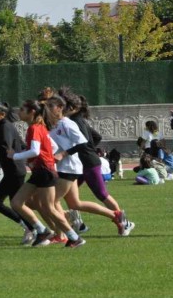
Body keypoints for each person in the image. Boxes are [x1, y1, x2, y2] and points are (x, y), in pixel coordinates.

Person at [46, 94, 125, 242]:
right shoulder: (56, 125)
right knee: (74, 203)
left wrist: (63, 154)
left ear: (61, 108)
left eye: (51, 106)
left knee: (51, 201)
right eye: (47, 106)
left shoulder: (67, 123)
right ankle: (115, 215)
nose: (47, 109)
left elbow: (83, 142)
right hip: (67, 167)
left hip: (69, 168)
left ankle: (62, 235)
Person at [7, 99, 83, 248]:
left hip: (45, 172)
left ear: (32, 112)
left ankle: (74, 237)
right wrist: (41, 158)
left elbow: (35, 150)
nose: (19, 112)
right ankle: (42, 230)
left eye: (22, 109)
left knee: (49, 208)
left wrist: (15, 156)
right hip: (40, 171)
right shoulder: (39, 127)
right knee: (16, 203)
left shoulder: (35, 128)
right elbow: (51, 146)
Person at [67, 92, 134, 236]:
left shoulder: (76, 121)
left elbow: (84, 141)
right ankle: (78, 224)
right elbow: (97, 136)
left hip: (89, 163)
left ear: (72, 107)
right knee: (70, 195)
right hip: (82, 163)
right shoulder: (77, 120)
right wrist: (90, 148)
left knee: (102, 194)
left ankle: (125, 222)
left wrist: (75, 151)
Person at [0, 102, 37, 245]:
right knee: (0, 203)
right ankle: (31, 228)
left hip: (14, 171)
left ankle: (35, 229)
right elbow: (20, 144)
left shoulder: (5, 126)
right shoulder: (3, 126)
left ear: (2, 114)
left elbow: (5, 147)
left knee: (15, 204)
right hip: (12, 171)